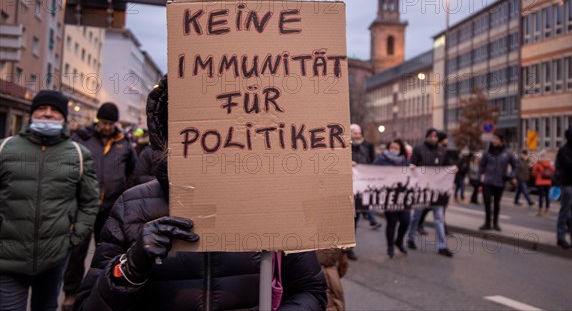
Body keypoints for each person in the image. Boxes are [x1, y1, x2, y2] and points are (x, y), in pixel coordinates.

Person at [73, 75, 327, 310]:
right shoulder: (132, 207)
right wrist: (130, 268)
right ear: (169, 131)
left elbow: (311, 293)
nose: (216, 139)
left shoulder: (274, 204)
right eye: (198, 126)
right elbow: (87, 305)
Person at [0, 90, 99, 311]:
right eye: (41, 109)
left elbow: (90, 202)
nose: (47, 114)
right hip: (7, 260)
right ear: (31, 114)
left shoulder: (79, 154)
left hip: (54, 259)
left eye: (54, 110)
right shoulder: (5, 149)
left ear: (64, 117)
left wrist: (74, 237)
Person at [62, 103, 138, 310]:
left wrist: (126, 191)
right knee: (78, 250)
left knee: (106, 251)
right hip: (84, 205)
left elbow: (133, 168)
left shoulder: (124, 142)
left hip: (111, 206)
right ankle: (71, 292)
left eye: (110, 123)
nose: (106, 127)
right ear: (98, 120)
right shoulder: (82, 139)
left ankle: (102, 290)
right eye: (103, 122)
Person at [407, 128, 454, 257]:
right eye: (431, 136)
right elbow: (413, 164)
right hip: (422, 189)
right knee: (416, 215)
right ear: (427, 136)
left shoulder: (443, 151)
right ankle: (410, 238)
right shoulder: (418, 149)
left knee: (439, 217)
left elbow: (447, 166)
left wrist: (452, 169)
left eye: (435, 136)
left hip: (437, 190)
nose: (433, 138)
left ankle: (442, 246)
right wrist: (412, 167)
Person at [373, 139, 411, 258]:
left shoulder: (405, 161)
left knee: (405, 221)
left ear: (401, 150)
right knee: (392, 223)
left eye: (396, 148)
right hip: (388, 197)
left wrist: (413, 169)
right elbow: (370, 171)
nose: (393, 150)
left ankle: (398, 241)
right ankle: (390, 246)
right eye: (392, 148)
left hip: (402, 198)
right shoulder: (381, 159)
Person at [349, 124, 381, 261]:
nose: (357, 134)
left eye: (358, 132)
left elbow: (373, 162)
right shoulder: (345, 145)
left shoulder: (368, 146)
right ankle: (348, 248)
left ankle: (349, 248)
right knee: (352, 219)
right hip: (350, 186)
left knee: (359, 213)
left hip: (363, 185)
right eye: (354, 132)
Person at [477, 132, 517, 232]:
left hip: (500, 181)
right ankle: (487, 223)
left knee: (496, 203)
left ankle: (495, 224)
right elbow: (481, 165)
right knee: (487, 201)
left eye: (496, 139)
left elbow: (515, 166)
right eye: (493, 138)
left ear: (501, 141)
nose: (493, 140)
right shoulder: (487, 152)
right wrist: (479, 178)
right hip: (487, 181)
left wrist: (511, 176)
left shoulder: (507, 153)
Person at [532, 150, 554, 216]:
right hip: (548, 182)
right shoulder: (549, 163)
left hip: (540, 182)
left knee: (541, 197)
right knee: (547, 196)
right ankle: (547, 210)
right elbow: (553, 170)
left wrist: (538, 175)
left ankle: (540, 210)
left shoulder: (538, 163)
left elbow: (533, 172)